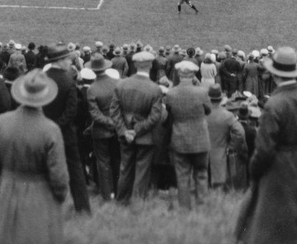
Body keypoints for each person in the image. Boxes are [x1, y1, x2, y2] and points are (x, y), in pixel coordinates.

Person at [235, 46, 297, 244]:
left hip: (279, 164)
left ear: (275, 75)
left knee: (275, 220)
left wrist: (255, 170)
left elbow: (265, 148)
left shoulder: (275, 103)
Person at [0, 70, 70, 244]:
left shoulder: (1, 122)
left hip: (7, 188)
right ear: (45, 97)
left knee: (4, 236)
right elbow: (59, 175)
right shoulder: (50, 130)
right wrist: (60, 196)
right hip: (39, 193)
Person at [41, 43, 92, 214]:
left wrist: (48, 125)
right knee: (76, 172)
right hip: (65, 133)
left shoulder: (43, 78)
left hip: (44, 131)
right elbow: (71, 111)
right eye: (67, 60)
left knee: (43, 170)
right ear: (61, 60)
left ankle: (44, 207)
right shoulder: (68, 80)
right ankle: (83, 208)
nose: (69, 63)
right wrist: (58, 125)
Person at [110, 50, 165, 203]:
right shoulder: (155, 89)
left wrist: (124, 131)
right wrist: (136, 131)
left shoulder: (121, 84)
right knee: (142, 170)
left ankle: (122, 201)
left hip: (125, 134)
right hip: (145, 136)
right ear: (151, 65)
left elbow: (114, 112)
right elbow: (155, 117)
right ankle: (138, 203)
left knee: (125, 168)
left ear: (134, 65)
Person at [164, 60, 212, 209]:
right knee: (201, 173)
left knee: (182, 175)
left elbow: (169, 113)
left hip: (180, 138)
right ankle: (202, 205)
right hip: (200, 137)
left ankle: (185, 207)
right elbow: (208, 110)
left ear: (178, 74)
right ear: (193, 75)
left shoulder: (171, 93)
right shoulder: (202, 91)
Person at [85, 53, 121, 201]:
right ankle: (119, 192)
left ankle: (107, 195)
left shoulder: (92, 89)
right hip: (117, 128)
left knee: (103, 162)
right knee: (117, 161)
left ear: (93, 70)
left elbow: (94, 113)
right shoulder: (116, 84)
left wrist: (107, 122)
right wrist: (114, 123)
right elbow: (120, 107)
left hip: (101, 130)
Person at [206, 83, 246, 190]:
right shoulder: (227, 116)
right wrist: (231, 146)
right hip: (220, 155)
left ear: (209, 98)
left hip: (202, 154)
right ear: (220, 99)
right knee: (219, 188)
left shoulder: (202, 114)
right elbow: (240, 133)